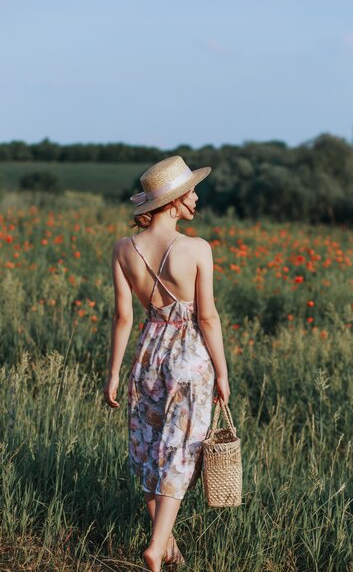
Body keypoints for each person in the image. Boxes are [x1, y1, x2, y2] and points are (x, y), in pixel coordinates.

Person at [103, 155, 230, 572]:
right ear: (173, 201)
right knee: (179, 454)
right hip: (189, 358)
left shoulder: (124, 249)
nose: (196, 198)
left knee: (150, 450)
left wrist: (113, 376)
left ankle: (168, 544)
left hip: (148, 354)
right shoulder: (196, 249)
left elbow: (124, 318)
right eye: (190, 191)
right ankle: (156, 549)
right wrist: (223, 373)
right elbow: (207, 317)